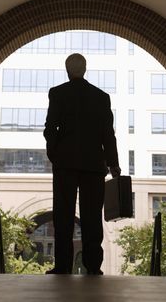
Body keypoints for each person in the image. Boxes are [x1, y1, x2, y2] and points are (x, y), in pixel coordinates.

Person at [43, 53, 121, 275]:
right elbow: (108, 135)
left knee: (63, 216)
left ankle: (63, 267)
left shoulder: (58, 94)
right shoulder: (101, 97)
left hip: (65, 164)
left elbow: (50, 128)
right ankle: (93, 267)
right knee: (92, 217)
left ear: (67, 70)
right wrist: (113, 164)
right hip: (94, 165)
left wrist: (54, 154)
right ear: (85, 70)